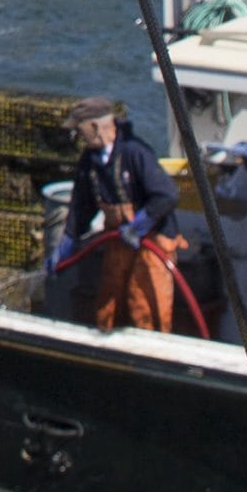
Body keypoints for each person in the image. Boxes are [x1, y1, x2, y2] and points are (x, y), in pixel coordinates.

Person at [60, 98, 181, 333]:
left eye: (79, 129)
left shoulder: (136, 152)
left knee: (145, 306)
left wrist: (139, 225)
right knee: (109, 304)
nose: (76, 135)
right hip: (118, 240)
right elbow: (81, 205)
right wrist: (68, 241)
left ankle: (151, 354)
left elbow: (167, 195)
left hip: (152, 242)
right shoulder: (89, 161)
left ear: (95, 127)